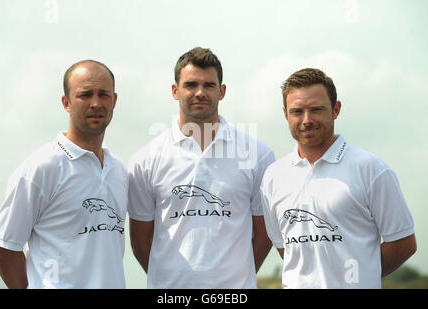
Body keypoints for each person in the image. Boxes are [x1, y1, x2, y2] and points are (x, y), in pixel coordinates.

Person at [128, 47, 275, 288]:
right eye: (190, 85)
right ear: (175, 91)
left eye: (209, 85)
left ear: (222, 91)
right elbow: (141, 243)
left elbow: (264, 236)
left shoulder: (258, 155)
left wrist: (237, 278)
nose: (200, 93)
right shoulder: (145, 159)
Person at [260, 68, 417, 288]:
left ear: (336, 109)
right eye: (297, 111)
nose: (307, 120)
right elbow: (284, 247)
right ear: (286, 114)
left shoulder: (370, 168)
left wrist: (362, 276)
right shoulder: (273, 176)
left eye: (316, 109)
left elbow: (403, 243)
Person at [0, 60, 128, 288]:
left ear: (114, 101)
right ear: (66, 102)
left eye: (103, 95)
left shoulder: (119, 171)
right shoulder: (40, 168)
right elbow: (5, 248)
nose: (96, 103)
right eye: (85, 95)